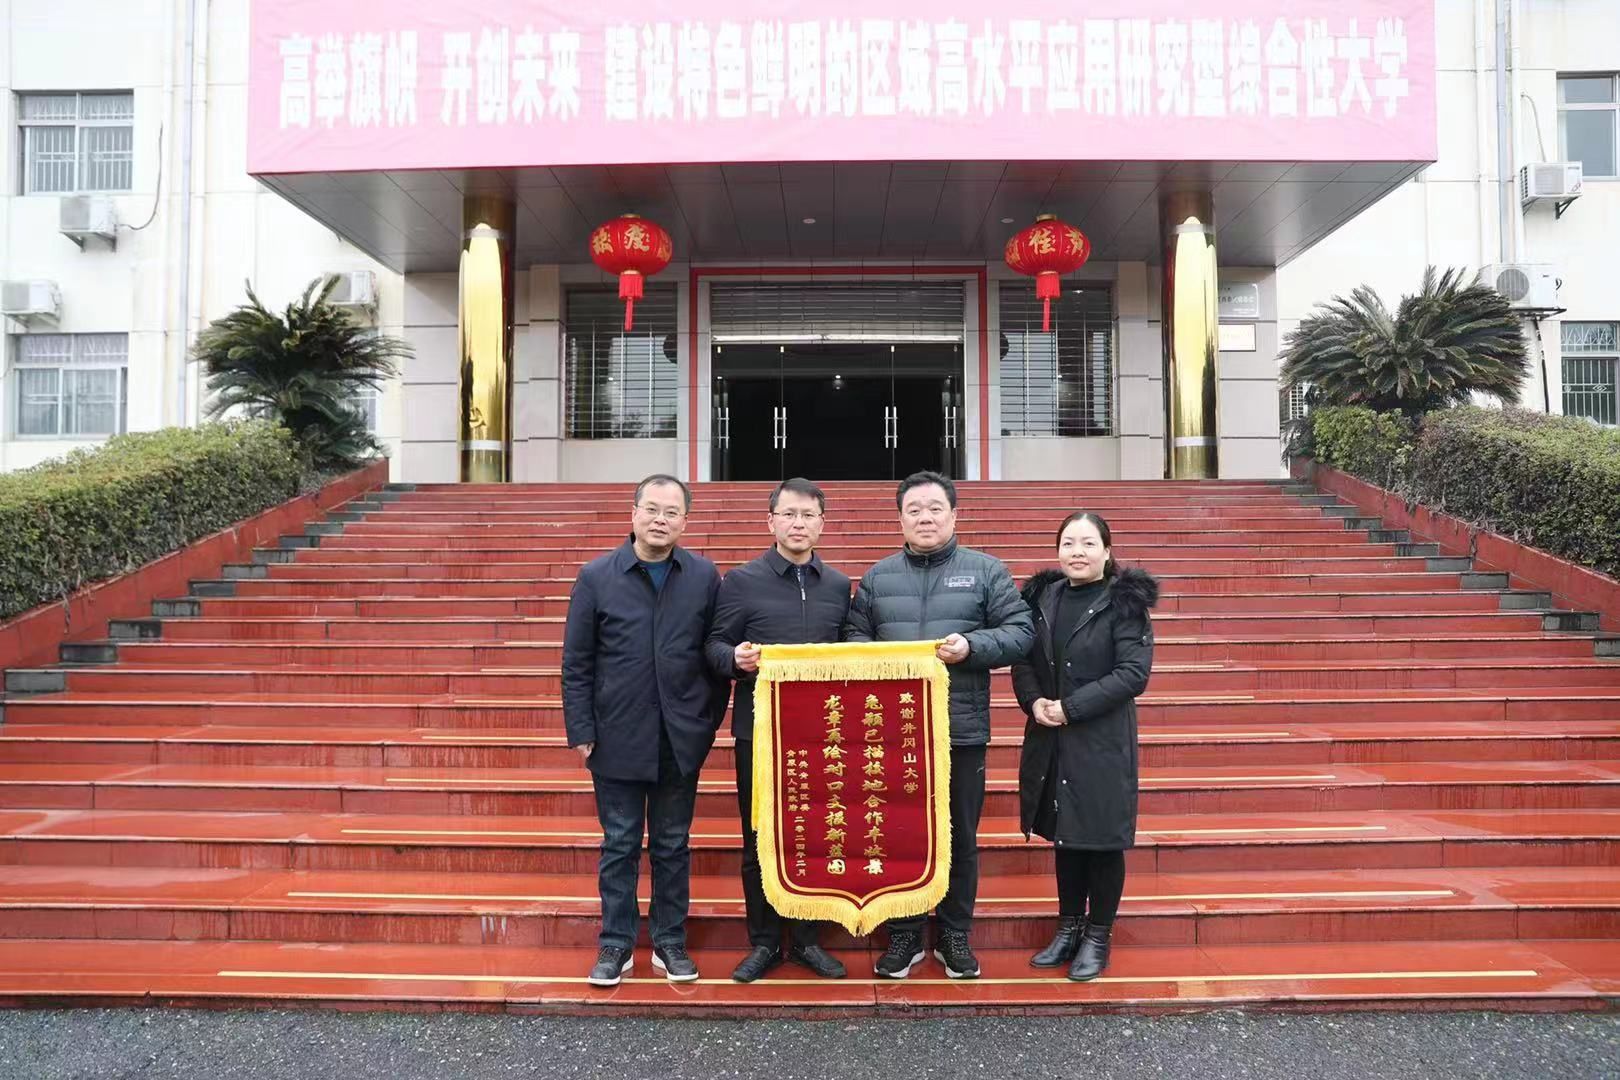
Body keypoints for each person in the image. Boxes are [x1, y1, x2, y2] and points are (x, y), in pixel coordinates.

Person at [843, 470, 1035, 980]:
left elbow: (1021, 633)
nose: (924, 518)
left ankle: (954, 935)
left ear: (954, 515)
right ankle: (904, 934)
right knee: (898, 833)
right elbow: (853, 637)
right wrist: (881, 659)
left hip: (960, 731)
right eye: (914, 510)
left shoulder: (986, 571)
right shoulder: (879, 577)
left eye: (934, 509)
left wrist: (972, 647)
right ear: (900, 518)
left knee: (960, 836)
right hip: (893, 734)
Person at [563, 474, 725, 988]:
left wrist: (703, 725)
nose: (660, 519)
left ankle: (669, 940)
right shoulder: (597, 576)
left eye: (671, 512)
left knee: (673, 843)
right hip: (616, 735)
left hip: (679, 738)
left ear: (685, 521)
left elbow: (714, 655)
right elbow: (577, 661)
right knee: (620, 843)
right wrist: (581, 728)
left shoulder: (703, 576)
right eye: (651, 509)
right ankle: (615, 944)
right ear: (633, 514)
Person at [705, 477, 852, 983]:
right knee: (758, 837)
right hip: (761, 733)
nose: (798, 523)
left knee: (817, 835)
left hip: (823, 736)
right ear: (770, 522)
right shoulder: (741, 582)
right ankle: (765, 942)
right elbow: (714, 646)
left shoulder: (838, 585)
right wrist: (735, 658)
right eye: (788, 514)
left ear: (822, 524)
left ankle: (808, 940)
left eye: (808, 515)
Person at [1011, 511, 1158, 982]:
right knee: (1066, 836)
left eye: (1089, 543)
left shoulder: (1123, 603)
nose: (1077, 552)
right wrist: (1034, 701)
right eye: (1069, 543)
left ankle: (1098, 935)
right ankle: (1069, 927)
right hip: (1051, 737)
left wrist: (1070, 708)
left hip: (1101, 741)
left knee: (1102, 840)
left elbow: (1132, 674)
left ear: (1107, 552)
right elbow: (1024, 660)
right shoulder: (1042, 598)